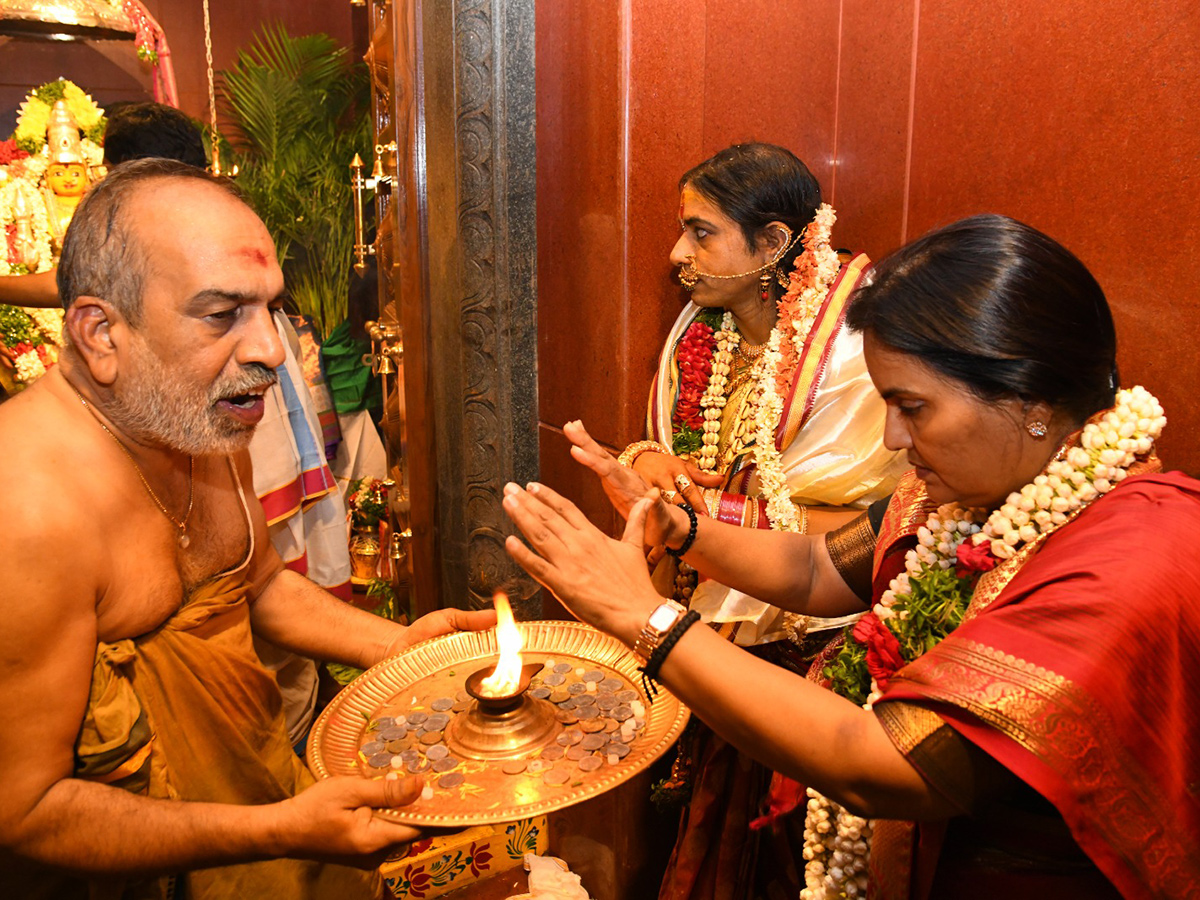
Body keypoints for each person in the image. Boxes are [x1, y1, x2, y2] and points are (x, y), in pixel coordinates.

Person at [503, 214, 1199, 898]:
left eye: (913, 407)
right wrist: (679, 526)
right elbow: (816, 570)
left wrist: (643, 617)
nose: (894, 438)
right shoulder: (978, 492)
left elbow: (883, 763)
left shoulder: (1128, 562)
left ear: (1030, 398)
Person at [0, 158, 495, 899]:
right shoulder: (26, 511)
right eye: (222, 313)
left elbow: (255, 585)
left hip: (265, 811)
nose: (272, 350)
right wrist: (281, 828)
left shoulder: (189, 417)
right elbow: (27, 810)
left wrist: (399, 648)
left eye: (270, 308)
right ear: (101, 332)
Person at [624, 142, 904, 897]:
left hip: (810, 653)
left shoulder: (852, 351)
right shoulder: (705, 333)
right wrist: (650, 460)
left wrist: (689, 512)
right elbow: (686, 454)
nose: (678, 252)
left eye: (701, 231)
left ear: (776, 243)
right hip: (712, 637)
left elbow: (856, 527)